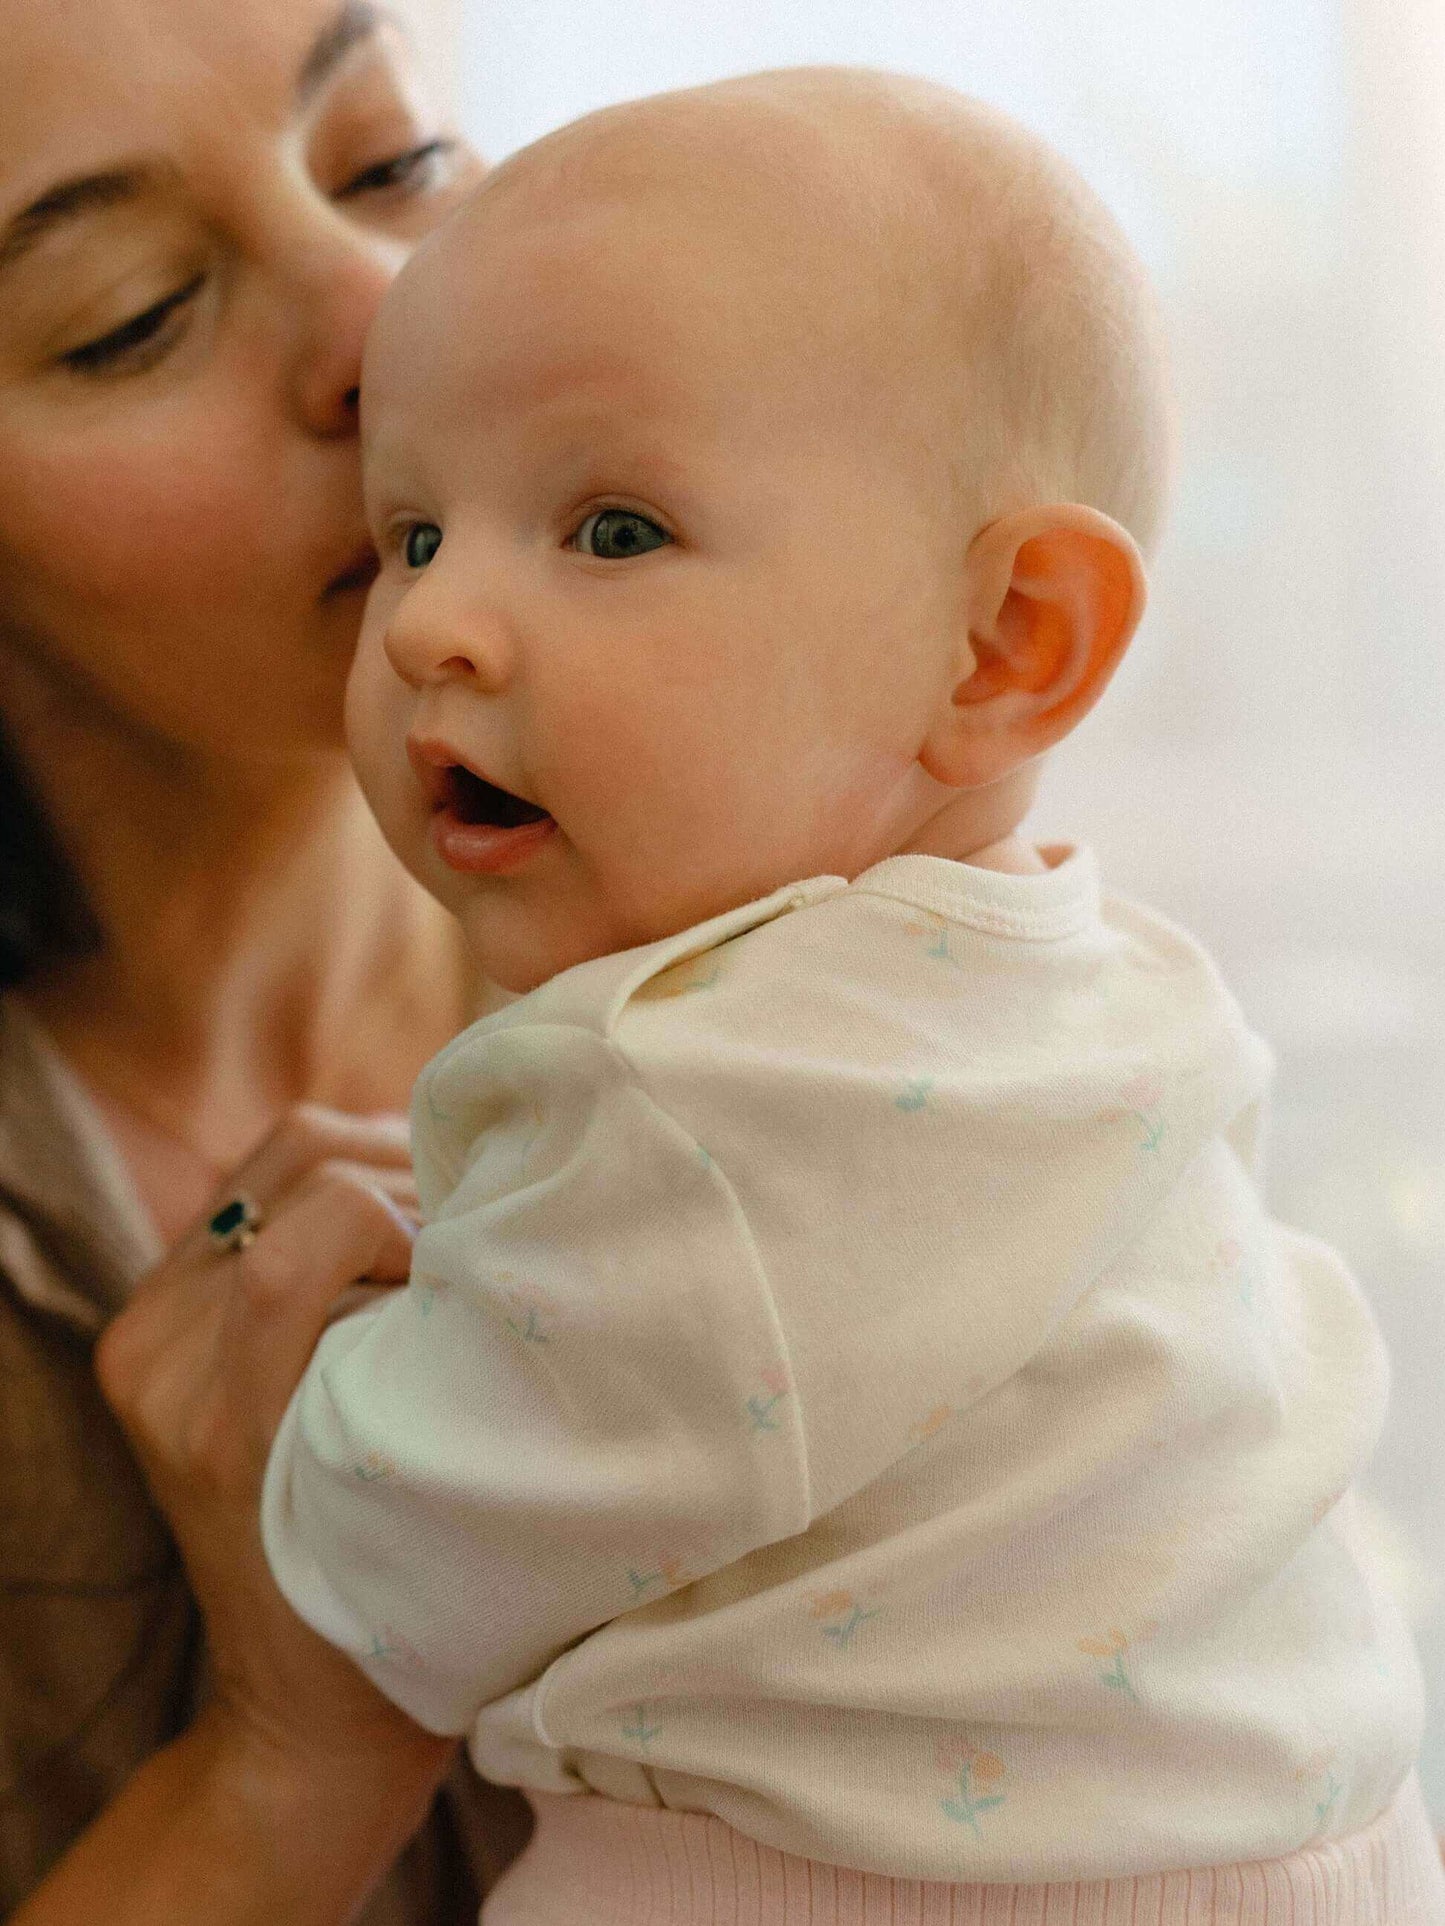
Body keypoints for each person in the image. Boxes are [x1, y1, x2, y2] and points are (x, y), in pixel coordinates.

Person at [253, 68, 1445, 1923]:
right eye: (409, 532)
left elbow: (397, 1565)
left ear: (1003, 644)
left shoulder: (681, 1089)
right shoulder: (1096, 983)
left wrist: (319, 1401)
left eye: (613, 529)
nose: (425, 625)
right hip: (1305, 1837)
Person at [0, 0, 532, 1917]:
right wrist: (281, 1766)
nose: (382, 318)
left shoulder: (829, 925)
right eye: (132, 311)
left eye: (390, 162)